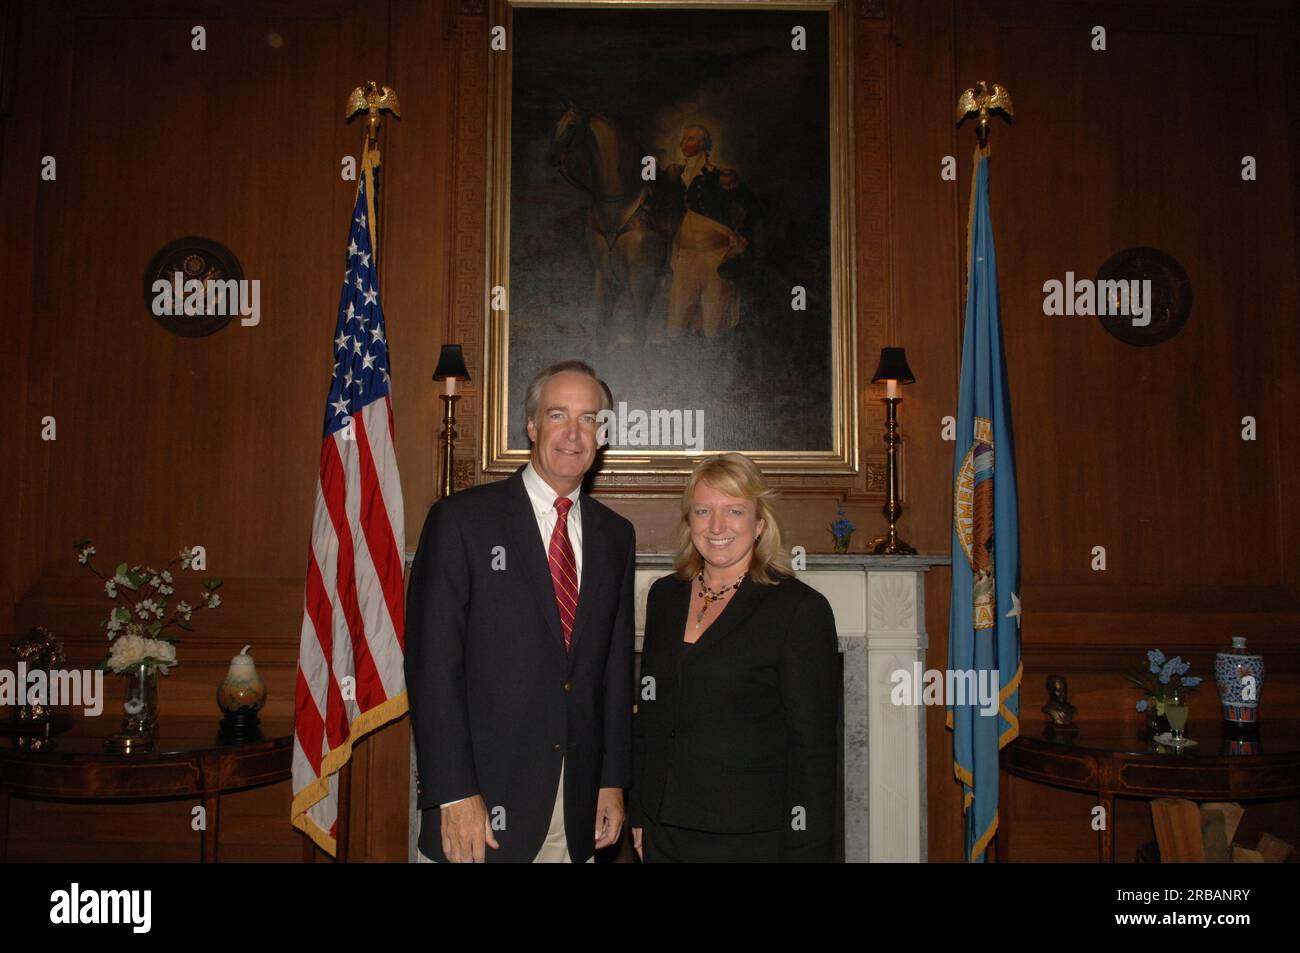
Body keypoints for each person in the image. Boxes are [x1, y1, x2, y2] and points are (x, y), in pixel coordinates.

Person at [405, 360, 636, 862]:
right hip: (479, 813)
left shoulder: (616, 536)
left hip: (575, 814)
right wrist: (453, 793)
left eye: (588, 419)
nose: (573, 433)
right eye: (557, 415)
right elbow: (432, 669)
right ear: (531, 425)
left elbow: (615, 672)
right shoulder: (461, 521)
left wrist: (612, 781)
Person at [629, 452, 840, 862]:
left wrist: (806, 850)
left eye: (734, 511)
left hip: (752, 838)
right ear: (689, 520)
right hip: (664, 831)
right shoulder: (665, 597)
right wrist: (640, 810)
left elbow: (813, 751)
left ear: (759, 523)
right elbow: (651, 717)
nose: (717, 526)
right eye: (703, 511)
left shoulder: (799, 609)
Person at [663, 124, 752, 338]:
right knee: (677, 323)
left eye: (691, 138)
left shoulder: (721, 176)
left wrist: (737, 244)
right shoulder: (676, 175)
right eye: (683, 139)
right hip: (685, 257)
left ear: (703, 143)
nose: (684, 143)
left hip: (715, 257)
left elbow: (748, 209)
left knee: (714, 324)